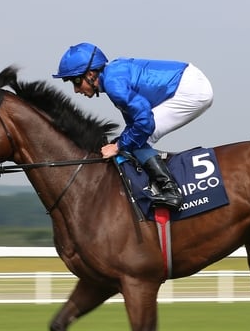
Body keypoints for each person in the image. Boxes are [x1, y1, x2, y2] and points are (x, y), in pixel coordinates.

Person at [52, 42, 214, 210]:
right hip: (190, 81)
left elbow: (144, 122)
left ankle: (171, 191)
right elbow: (135, 119)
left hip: (192, 90)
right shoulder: (112, 76)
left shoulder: (114, 85)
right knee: (131, 138)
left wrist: (118, 146)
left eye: (76, 82)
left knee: (139, 137)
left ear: (91, 74)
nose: (76, 90)